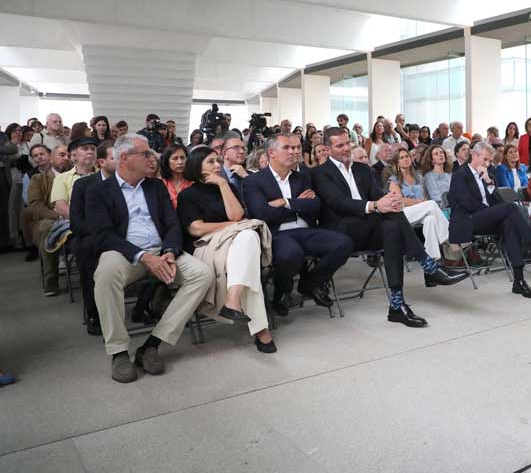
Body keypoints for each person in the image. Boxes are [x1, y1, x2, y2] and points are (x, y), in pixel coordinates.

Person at [87, 134, 214, 383]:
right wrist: (143, 256)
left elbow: (172, 225)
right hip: (125, 252)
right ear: (125, 158)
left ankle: (152, 345)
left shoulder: (155, 186)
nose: (153, 158)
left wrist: (169, 251)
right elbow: (102, 235)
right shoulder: (98, 190)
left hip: (161, 251)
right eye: (146, 154)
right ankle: (119, 352)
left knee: (202, 274)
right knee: (105, 275)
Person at [312, 128, 468, 327]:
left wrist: (389, 201)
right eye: (339, 145)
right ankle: (429, 266)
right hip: (341, 231)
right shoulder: (319, 173)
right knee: (391, 219)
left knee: (392, 227)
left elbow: (378, 194)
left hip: (369, 227)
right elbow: (337, 202)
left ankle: (397, 305)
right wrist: (375, 206)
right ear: (327, 148)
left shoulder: (362, 169)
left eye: (347, 144)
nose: (345, 149)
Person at [243, 133, 354, 316]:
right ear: (271, 153)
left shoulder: (301, 177)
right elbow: (261, 214)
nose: (294, 152)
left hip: (305, 230)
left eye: (296, 147)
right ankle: (281, 292)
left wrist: (285, 202)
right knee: (291, 254)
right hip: (277, 235)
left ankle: (309, 283)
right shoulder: (254, 181)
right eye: (287, 148)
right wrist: (298, 204)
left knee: (344, 243)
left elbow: (315, 206)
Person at [177, 147, 275, 353]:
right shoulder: (188, 195)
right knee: (247, 242)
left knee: (247, 238)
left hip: (236, 242)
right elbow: (196, 228)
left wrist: (222, 184)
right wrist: (230, 226)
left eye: (218, 161)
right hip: (207, 245)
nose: (217, 165)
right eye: (211, 162)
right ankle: (261, 330)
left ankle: (233, 300)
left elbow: (237, 215)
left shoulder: (226, 186)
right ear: (197, 167)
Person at [448, 142, 531, 299]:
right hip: (466, 221)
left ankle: (519, 282)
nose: (487, 164)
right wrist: (493, 211)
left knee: (509, 224)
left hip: (484, 218)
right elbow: (469, 205)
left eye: (489, 161)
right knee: (511, 209)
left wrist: (488, 182)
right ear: (474, 155)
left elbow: (496, 203)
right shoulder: (460, 175)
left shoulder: (486, 175)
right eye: (485, 160)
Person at [69, 140, 117, 336]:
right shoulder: (83, 185)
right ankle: (94, 313)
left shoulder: (130, 183)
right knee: (87, 250)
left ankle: (143, 305)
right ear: (101, 162)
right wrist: (103, 231)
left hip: (122, 235)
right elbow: (76, 223)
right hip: (92, 236)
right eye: (116, 157)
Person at [386, 146, 453, 263]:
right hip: (402, 213)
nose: (406, 159)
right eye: (402, 158)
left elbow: (425, 196)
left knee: (431, 220)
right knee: (431, 204)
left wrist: (423, 202)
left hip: (420, 211)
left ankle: (432, 261)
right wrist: (420, 202)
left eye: (407, 156)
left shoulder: (418, 177)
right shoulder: (394, 180)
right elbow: (400, 200)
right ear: (397, 162)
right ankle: (450, 238)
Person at [25, 145, 69, 295]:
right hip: (52, 217)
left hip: (76, 215)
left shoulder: (76, 174)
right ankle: (51, 280)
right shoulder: (37, 179)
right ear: (52, 157)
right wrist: (58, 215)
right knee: (45, 227)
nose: (66, 158)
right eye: (61, 155)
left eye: (68, 155)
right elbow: (35, 206)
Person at [50, 136, 98, 219]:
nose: (90, 152)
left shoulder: (105, 175)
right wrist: (83, 221)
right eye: (85, 149)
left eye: (93, 149)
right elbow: (61, 208)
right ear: (74, 155)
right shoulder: (61, 179)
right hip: (73, 223)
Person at [21, 144, 52, 261]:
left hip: (58, 203)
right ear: (33, 159)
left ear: (49, 155)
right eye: (35, 155)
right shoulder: (29, 175)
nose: (39, 157)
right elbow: (27, 197)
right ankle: (33, 246)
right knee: (26, 212)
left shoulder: (58, 168)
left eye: (42, 154)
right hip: (39, 205)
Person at [159, 144, 192, 208]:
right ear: (167, 161)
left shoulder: (192, 183)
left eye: (182, 158)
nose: (180, 162)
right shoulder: (160, 183)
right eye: (175, 158)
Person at [220, 132, 249, 203]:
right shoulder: (216, 175)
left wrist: (246, 177)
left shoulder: (250, 176)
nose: (242, 151)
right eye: (236, 148)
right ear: (225, 153)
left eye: (243, 148)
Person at [422, 144, 453, 209]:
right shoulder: (429, 176)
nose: (440, 155)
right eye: (436, 154)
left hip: (454, 206)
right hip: (441, 210)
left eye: (441, 152)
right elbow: (436, 199)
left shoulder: (450, 174)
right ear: (431, 160)